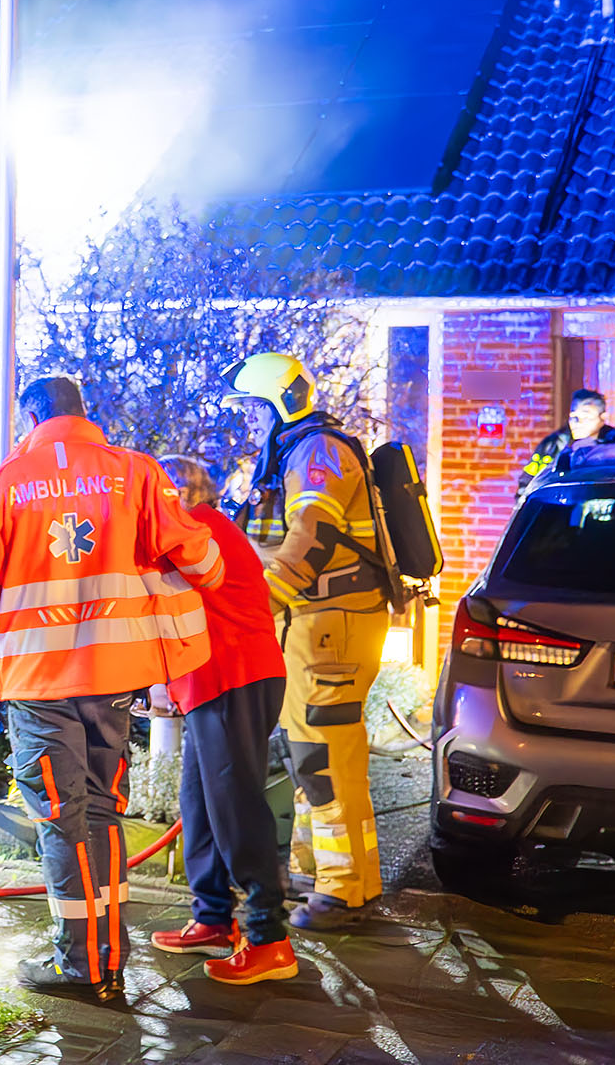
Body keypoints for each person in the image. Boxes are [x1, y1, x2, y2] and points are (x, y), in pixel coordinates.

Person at [0, 375, 224, 1001]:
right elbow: (205, 563)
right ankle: (109, 959)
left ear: (29, 417)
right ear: (84, 411)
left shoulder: (0, 487)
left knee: (60, 818)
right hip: (114, 679)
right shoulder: (135, 473)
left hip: (38, 681)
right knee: (102, 813)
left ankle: (83, 967)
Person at [222, 352, 389, 932]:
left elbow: (311, 537)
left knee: (325, 756)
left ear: (279, 402)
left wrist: (254, 606)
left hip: (332, 622)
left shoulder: (318, 452)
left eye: (253, 409)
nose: (249, 422)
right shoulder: (293, 451)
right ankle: (316, 872)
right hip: (314, 621)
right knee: (306, 752)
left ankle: (344, 890)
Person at [148, 454, 295, 985]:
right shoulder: (207, 529)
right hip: (216, 682)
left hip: (233, 679)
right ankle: (212, 919)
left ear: (176, 495)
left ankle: (268, 938)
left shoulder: (196, 531)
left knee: (235, 809)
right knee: (202, 805)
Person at [517, 388, 615, 496]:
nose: (577, 423)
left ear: (602, 418)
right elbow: (528, 481)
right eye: (573, 417)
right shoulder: (554, 444)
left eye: (586, 417)